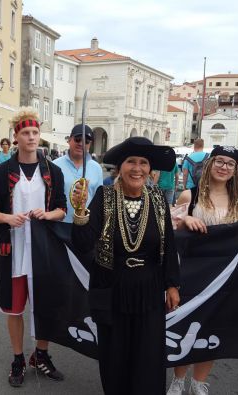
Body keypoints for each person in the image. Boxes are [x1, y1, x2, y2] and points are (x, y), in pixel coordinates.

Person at [168, 145, 238, 395]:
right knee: (187, 325)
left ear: (235, 171)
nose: (223, 167)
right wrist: (185, 219)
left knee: (211, 328)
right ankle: (178, 380)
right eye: (219, 161)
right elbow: (171, 233)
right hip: (192, 272)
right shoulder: (189, 196)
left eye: (229, 164)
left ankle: (199, 383)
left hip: (222, 276)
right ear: (209, 165)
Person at [70, 136, 181, 394]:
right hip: (112, 288)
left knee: (148, 355)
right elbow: (84, 244)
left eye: (143, 163)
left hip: (150, 290)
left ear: (150, 169)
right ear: (120, 167)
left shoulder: (158, 199)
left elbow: (170, 244)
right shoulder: (105, 196)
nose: (137, 168)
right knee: (115, 355)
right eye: (131, 161)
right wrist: (80, 210)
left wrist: (172, 284)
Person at [0, 108, 67, 387]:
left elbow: (62, 208)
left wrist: (48, 215)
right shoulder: (1, 172)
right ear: (16, 137)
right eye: (25, 133)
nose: (31, 137)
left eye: (34, 132)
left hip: (44, 252)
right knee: (14, 309)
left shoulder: (52, 172)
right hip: (14, 251)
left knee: (43, 307)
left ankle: (41, 355)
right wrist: (8, 218)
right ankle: (19, 358)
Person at [53, 124, 103, 223]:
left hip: (86, 224)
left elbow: (99, 200)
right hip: (60, 224)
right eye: (77, 139)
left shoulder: (97, 168)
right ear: (69, 140)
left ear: (90, 144)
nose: (81, 144)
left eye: (86, 141)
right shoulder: (55, 165)